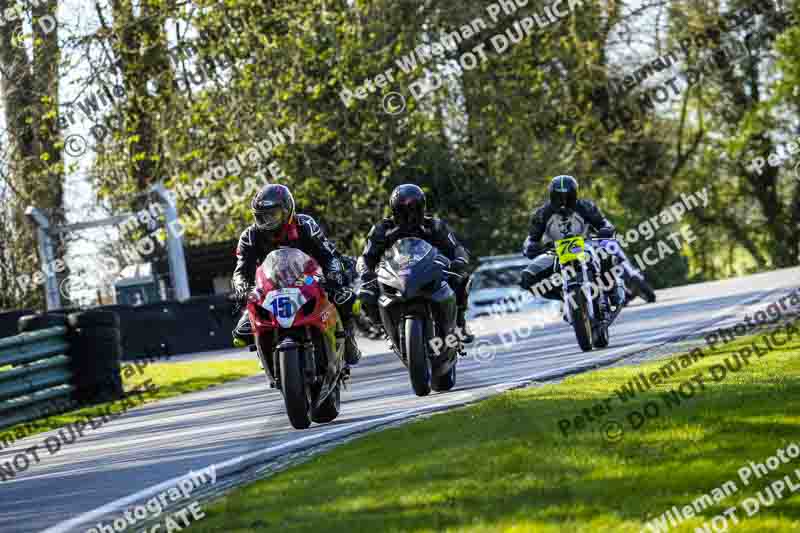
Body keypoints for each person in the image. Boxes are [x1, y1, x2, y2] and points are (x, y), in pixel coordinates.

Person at [230, 184, 361, 366]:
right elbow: (241, 270)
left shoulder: (305, 225)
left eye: (272, 215)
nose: (266, 222)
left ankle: (347, 339)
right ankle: (266, 353)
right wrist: (242, 288)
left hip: (308, 279)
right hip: (269, 286)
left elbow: (328, 255)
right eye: (261, 217)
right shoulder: (250, 236)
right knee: (242, 331)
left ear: (286, 210)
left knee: (345, 299)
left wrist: (333, 277)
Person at [356, 183, 475, 343]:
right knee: (365, 293)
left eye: (414, 209)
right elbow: (366, 256)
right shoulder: (382, 229)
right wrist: (366, 273)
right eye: (403, 211)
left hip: (429, 272)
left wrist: (459, 261)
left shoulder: (434, 226)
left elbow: (456, 247)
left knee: (462, 278)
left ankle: (459, 323)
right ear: (394, 210)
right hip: (395, 275)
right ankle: (381, 326)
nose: (409, 215)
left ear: (422, 208)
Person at [520, 175, 625, 308]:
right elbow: (530, 238)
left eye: (568, 197)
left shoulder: (586, 206)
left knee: (607, 255)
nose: (563, 202)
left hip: (586, 246)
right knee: (527, 278)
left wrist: (606, 230)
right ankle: (564, 296)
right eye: (559, 197)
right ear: (551, 196)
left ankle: (612, 291)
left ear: (575, 195)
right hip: (554, 252)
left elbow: (604, 223)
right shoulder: (542, 213)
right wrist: (530, 247)